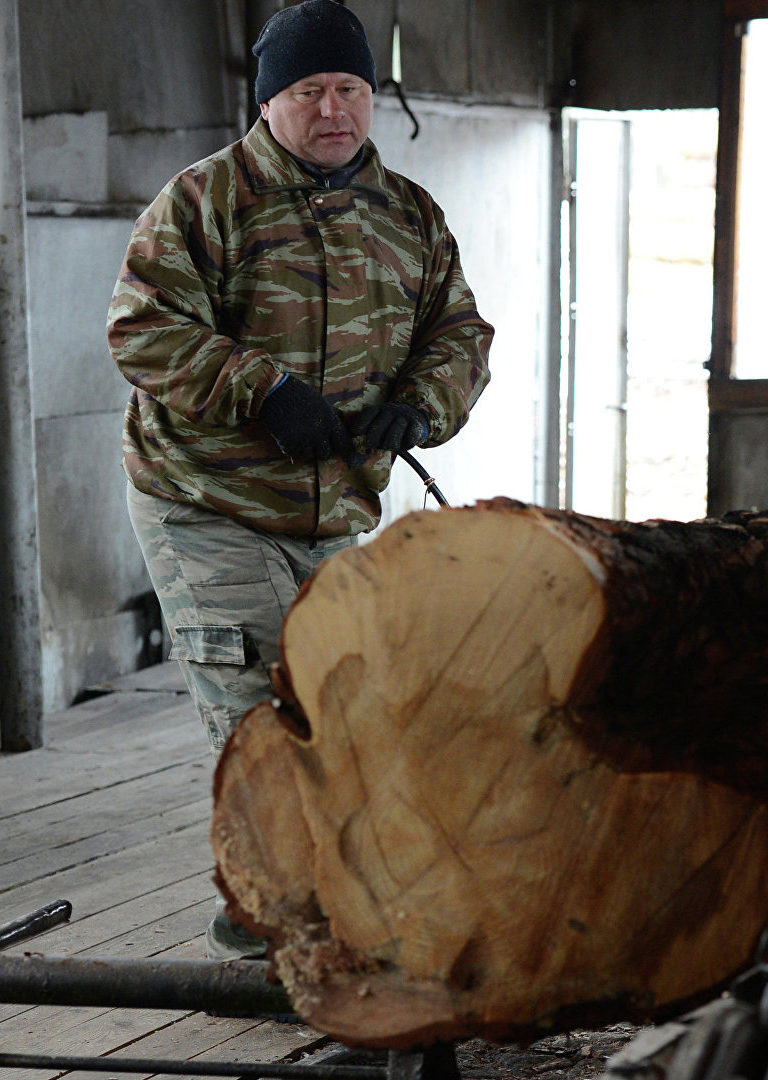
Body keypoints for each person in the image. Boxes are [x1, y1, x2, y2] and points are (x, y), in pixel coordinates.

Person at [107, 0, 492, 957]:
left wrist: (423, 406)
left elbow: (460, 333)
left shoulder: (407, 213)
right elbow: (141, 328)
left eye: (351, 90)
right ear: (270, 100)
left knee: (343, 694)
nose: (334, 111)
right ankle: (276, 914)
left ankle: (319, 898)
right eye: (310, 91)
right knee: (256, 701)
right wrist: (262, 389)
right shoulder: (204, 201)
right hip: (207, 498)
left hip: (335, 511)